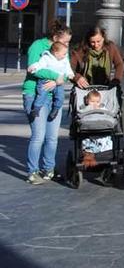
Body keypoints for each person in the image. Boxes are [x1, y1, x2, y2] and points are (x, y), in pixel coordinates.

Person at [21, 20, 73, 184]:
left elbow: (65, 71)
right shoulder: (38, 46)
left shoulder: (63, 50)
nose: (67, 45)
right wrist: (54, 77)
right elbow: (34, 68)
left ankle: (48, 169)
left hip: (54, 96)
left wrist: (59, 81)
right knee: (38, 136)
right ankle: (32, 172)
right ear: (55, 37)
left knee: (52, 138)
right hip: (35, 94)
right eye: (65, 41)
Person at [27, 41, 75, 123]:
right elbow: (39, 65)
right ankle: (36, 109)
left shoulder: (64, 60)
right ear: (56, 53)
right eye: (63, 54)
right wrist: (33, 67)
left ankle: (55, 109)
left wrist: (70, 74)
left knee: (60, 96)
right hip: (45, 81)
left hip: (58, 83)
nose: (65, 55)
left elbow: (68, 68)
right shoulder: (46, 57)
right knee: (41, 94)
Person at [69, 26, 124, 90]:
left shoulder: (110, 47)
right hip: (84, 87)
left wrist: (116, 79)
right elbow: (69, 69)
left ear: (103, 38)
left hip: (105, 86)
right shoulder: (80, 50)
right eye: (92, 42)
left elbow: (119, 64)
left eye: (98, 41)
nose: (96, 45)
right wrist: (77, 77)